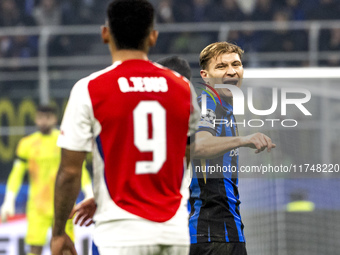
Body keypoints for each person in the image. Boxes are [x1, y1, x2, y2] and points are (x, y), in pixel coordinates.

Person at [51, 1, 200, 255]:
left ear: (105, 34)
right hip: (173, 233)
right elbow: (181, 160)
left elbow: (69, 172)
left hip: (120, 234)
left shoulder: (90, 89)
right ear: (153, 37)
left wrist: (58, 232)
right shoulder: (183, 88)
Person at [189, 41, 276, 255]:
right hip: (214, 233)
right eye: (221, 66)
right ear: (205, 75)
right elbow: (198, 146)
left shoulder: (224, 108)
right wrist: (244, 140)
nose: (231, 71)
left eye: (236, 64)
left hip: (221, 230)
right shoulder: (208, 103)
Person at [0, 105, 93, 255]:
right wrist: (9, 200)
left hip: (64, 203)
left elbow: (79, 169)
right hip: (37, 207)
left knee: (65, 247)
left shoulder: (63, 140)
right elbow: (16, 173)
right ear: (36, 119)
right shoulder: (27, 144)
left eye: (47, 118)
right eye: (40, 118)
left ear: (54, 119)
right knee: (35, 249)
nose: (44, 121)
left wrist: (89, 193)